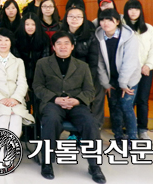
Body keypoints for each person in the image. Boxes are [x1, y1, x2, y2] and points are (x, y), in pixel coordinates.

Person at [33, 31, 105, 183]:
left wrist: (77, 100)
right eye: (59, 43)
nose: (63, 46)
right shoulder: (43, 63)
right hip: (53, 103)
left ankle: (94, 166)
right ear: (53, 47)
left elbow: (90, 91)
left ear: (72, 47)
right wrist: (55, 99)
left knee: (90, 123)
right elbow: (37, 87)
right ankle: (47, 163)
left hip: (76, 104)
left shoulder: (83, 66)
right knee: (51, 120)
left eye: (66, 43)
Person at [96, 9, 141, 144]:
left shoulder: (129, 37)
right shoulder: (98, 36)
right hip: (111, 79)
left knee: (126, 106)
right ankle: (118, 136)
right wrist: (105, 83)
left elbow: (130, 62)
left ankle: (133, 137)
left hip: (129, 79)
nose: (105, 23)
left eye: (110, 20)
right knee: (113, 106)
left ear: (117, 21)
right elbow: (100, 63)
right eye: (103, 20)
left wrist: (123, 83)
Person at [0, 28, 34, 137]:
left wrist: (15, 98)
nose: (3, 43)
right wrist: (1, 99)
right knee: (3, 117)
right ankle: (3, 153)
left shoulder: (19, 61)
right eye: (0, 40)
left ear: (11, 43)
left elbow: (22, 83)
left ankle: (6, 152)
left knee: (16, 118)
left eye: (7, 40)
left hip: (15, 100)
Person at [123, 0, 153, 140]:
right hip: (129, 71)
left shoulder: (148, 28)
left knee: (143, 100)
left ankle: (142, 129)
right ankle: (128, 129)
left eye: (136, 9)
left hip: (145, 70)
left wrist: (149, 65)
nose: (133, 12)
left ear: (140, 11)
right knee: (128, 101)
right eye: (130, 9)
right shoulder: (122, 27)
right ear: (126, 11)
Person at [61, 7, 102, 128]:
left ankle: (88, 131)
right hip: (65, 77)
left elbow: (94, 61)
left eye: (78, 16)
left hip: (86, 76)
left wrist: (88, 80)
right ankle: (72, 133)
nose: (74, 19)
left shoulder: (91, 36)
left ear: (83, 19)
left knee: (86, 103)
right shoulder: (60, 34)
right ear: (66, 18)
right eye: (71, 16)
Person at [15, 13, 50, 88]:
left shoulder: (44, 38)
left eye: (33, 24)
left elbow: (45, 59)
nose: (30, 27)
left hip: (38, 74)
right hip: (20, 75)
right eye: (27, 24)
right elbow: (16, 60)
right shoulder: (16, 38)